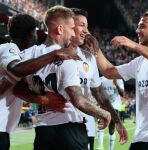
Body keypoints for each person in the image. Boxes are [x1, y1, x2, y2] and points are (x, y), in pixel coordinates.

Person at [14, 6, 113, 150]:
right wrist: (104, 114)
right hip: (69, 131)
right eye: (72, 28)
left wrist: (40, 99)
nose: (73, 33)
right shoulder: (68, 57)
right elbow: (78, 101)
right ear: (60, 29)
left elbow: (15, 87)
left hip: (43, 132)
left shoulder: (28, 55)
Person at [0, 13, 80, 150]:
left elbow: (16, 87)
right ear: (31, 35)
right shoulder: (9, 48)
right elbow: (16, 70)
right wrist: (55, 54)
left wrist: (43, 100)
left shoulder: (21, 57)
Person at [86, 10, 148, 150]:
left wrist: (131, 44)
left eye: (142, 26)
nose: (137, 30)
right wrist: (96, 50)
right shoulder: (139, 62)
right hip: (141, 139)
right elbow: (109, 71)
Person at [97, 76, 125, 150]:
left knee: (111, 129)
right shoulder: (101, 79)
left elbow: (122, 94)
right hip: (104, 105)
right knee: (100, 124)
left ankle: (110, 149)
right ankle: (100, 146)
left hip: (115, 106)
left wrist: (116, 85)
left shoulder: (118, 79)